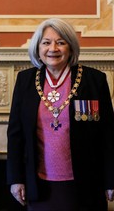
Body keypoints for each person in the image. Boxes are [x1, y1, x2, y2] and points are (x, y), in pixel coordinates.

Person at [7, 18, 114, 211]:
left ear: (71, 47)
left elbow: (108, 135)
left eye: (61, 42)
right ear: (38, 48)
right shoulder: (25, 80)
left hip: (85, 183)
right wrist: (16, 179)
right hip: (39, 184)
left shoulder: (93, 80)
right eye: (46, 42)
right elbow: (15, 135)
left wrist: (111, 179)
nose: (53, 48)